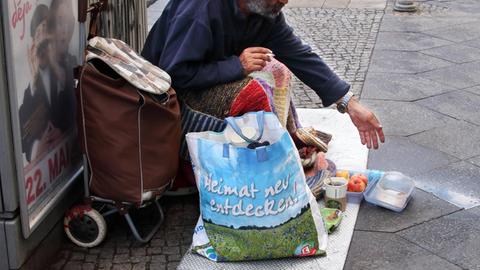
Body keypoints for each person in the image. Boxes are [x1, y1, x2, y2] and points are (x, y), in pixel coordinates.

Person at [142, 0, 385, 150]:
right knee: (253, 92)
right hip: (170, 101)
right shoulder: (199, 9)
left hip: (207, 76)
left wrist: (349, 103)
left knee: (278, 70)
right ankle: (263, 158)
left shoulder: (266, 13)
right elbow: (173, 74)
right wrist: (236, 66)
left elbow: (300, 55)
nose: (284, 1)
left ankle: (281, 143)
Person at [19, 1, 76, 162]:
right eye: (39, 35)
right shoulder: (32, 89)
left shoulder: (71, 64)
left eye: (47, 30)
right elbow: (22, 138)